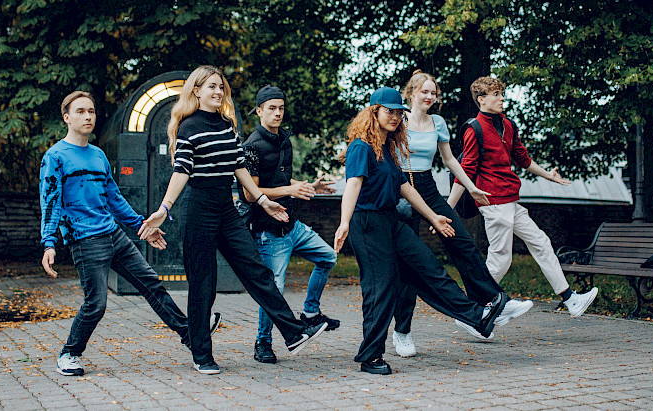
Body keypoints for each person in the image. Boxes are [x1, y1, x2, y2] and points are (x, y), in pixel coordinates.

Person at [138, 66, 327, 375]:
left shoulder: (227, 125)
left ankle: (293, 333)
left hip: (226, 208)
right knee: (204, 284)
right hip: (198, 209)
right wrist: (164, 209)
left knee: (256, 270)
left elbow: (239, 166)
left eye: (220, 87)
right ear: (197, 91)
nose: (218, 91)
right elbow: (182, 169)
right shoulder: (189, 127)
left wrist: (263, 201)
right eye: (211, 86)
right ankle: (202, 355)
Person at [333, 87, 520, 375]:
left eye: (399, 113)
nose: (395, 117)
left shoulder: (389, 147)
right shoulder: (361, 147)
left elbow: (405, 187)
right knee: (381, 288)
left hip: (392, 220)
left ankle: (478, 316)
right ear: (374, 112)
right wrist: (344, 222)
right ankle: (370, 356)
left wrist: (434, 216)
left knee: (429, 267)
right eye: (389, 111)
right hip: (367, 224)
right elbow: (353, 185)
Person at [40, 91, 220, 377]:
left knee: (152, 285)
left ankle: (190, 334)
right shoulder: (55, 157)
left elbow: (114, 198)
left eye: (91, 111)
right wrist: (49, 243)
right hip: (85, 240)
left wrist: (141, 227)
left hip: (113, 235)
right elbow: (50, 202)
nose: (88, 116)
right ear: (67, 118)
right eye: (80, 112)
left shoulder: (98, 155)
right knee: (96, 304)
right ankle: (69, 353)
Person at [391, 71, 533, 358]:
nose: (430, 97)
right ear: (412, 93)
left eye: (434, 93)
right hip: (400, 188)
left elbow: (450, 160)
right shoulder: (398, 121)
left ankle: (493, 301)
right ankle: (402, 332)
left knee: (463, 242)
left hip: (428, 186)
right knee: (409, 266)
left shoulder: (438, 122)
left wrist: (471, 187)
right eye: (424, 92)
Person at [450, 76, 598, 317]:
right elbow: (464, 171)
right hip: (493, 202)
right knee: (501, 260)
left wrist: (549, 176)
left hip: (511, 200)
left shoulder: (508, 125)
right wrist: (447, 209)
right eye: (496, 94)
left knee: (541, 243)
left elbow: (522, 158)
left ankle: (570, 299)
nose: (502, 98)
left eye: (502, 93)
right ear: (482, 99)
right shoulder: (474, 129)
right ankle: (472, 310)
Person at [241, 85, 340, 364]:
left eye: (281, 108)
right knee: (273, 289)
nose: (278, 113)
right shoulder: (251, 147)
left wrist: (309, 186)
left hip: (293, 226)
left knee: (328, 257)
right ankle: (263, 342)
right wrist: (290, 190)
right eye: (271, 108)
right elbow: (250, 193)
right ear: (259, 111)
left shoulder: (284, 140)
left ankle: (310, 313)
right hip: (269, 232)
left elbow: (283, 181)